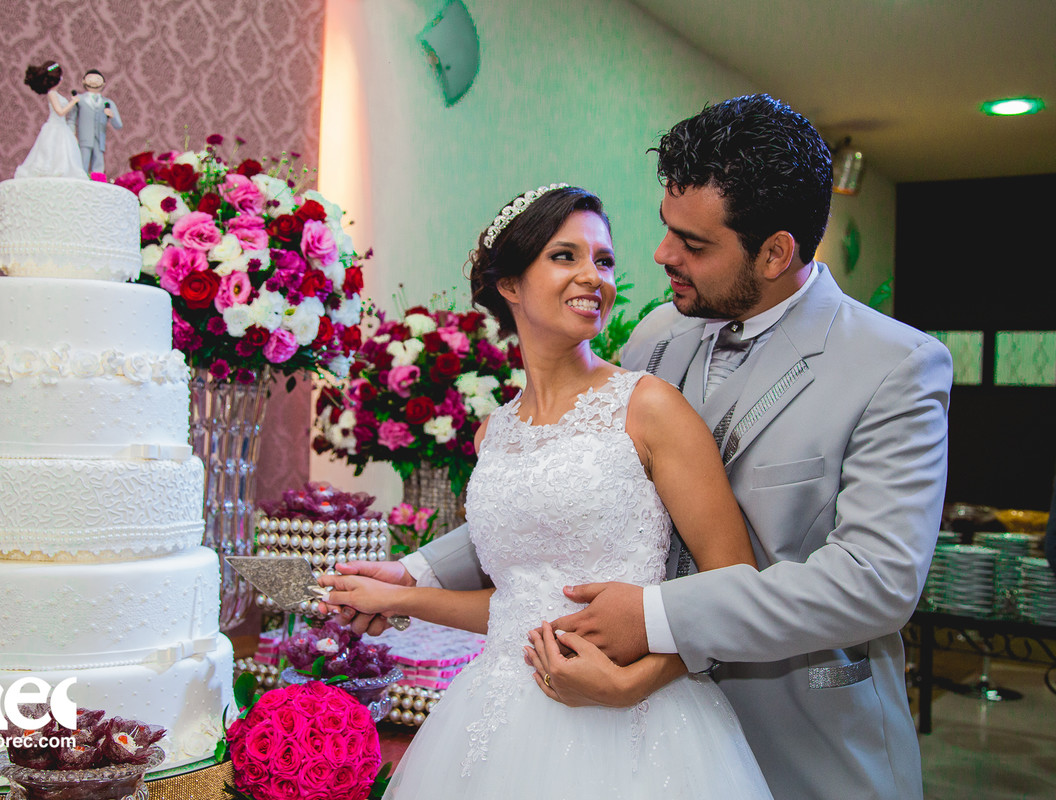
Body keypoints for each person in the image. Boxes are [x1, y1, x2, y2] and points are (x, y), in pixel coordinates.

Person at [336, 95, 953, 800]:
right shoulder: (661, 332)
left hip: (800, 739)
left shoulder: (894, 366)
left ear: (777, 251)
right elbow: (574, 494)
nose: (661, 256)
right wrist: (416, 573)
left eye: (693, 244)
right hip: (623, 737)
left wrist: (656, 622)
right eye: (666, 230)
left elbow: (872, 585)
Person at [321, 185, 773, 798]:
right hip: (499, 713)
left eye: (604, 260)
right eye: (566, 256)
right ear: (510, 283)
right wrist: (397, 597)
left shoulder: (649, 408)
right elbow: (518, 606)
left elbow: (733, 585)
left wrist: (637, 682)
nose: (594, 276)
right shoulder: (493, 433)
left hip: (641, 724)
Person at [15, 61, 86, 180]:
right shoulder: (52, 94)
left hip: (62, 127)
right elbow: (60, 111)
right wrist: (73, 102)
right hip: (55, 127)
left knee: (63, 153)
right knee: (51, 151)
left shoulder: (55, 94)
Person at [66, 69, 122, 174]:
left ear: (103, 83)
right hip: (84, 139)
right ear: (83, 81)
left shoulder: (108, 103)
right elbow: (71, 119)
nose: (94, 82)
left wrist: (112, 115)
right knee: (83, 162)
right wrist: (71, 135)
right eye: (90, 79)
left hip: (99, 139)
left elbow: (118, 125)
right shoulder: (79, 100)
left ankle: (98, 182)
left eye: (97, 79)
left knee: (99, 164)